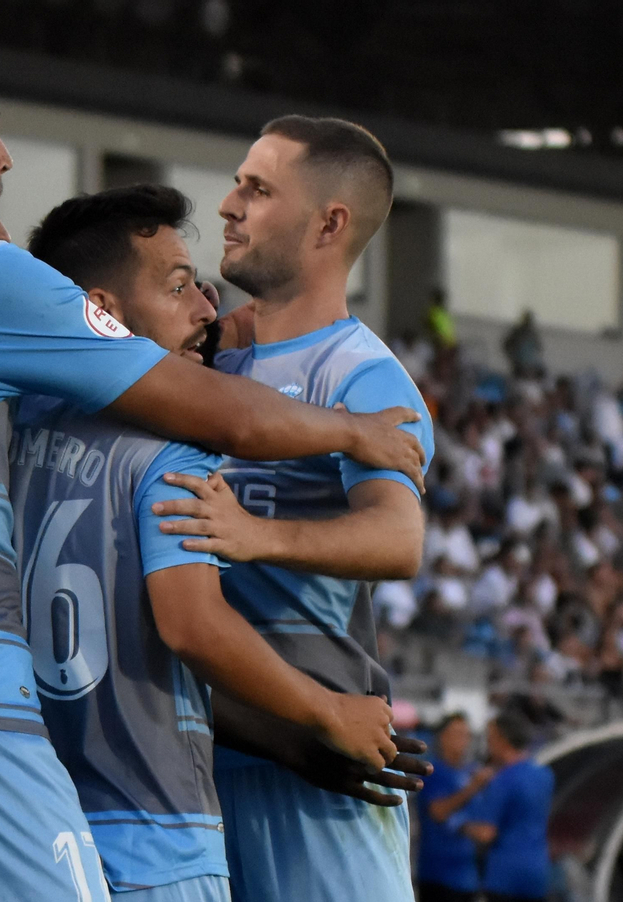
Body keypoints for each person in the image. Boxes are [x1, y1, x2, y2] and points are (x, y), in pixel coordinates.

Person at [0, 38, 423, 902]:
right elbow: (191, 615)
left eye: (255, 190)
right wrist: (348, 437)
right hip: (30, 751)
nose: (2, 158)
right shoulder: (154, 428)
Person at [13, 184, 400, 901]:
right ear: (102, 312)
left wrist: (282, 741)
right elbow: (190, 625)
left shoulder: (15, 433)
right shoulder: (168, 453)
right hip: (158, 835)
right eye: (179, 287)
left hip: (43, 837)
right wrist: (328, 711)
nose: (206, 309)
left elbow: (127, 655)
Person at [151, 115, 432, 902]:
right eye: (240, 182)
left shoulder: (365, 377)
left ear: (329, 223)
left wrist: (255, 535)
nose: (230, 205)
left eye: (258, 189)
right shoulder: (199, 356)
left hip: (318, 762)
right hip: (189, 754)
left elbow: (396, 537)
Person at [453, 711, 554, 902]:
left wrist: (459, 826)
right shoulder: (545, 775)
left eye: (490, 739)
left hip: (505, 876)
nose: (488, 745)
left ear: (503, 739)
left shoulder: (502, 780)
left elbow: (486, 832)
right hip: (537, 871)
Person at [416, 714, 489, 902]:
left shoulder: (470, 772)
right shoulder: (433, 771)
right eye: (456, 733)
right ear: (442, 737)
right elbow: (438, 811)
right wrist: (473, 788)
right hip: (438, 876)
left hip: (468, 877)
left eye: (466, 734)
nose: (462, 740)